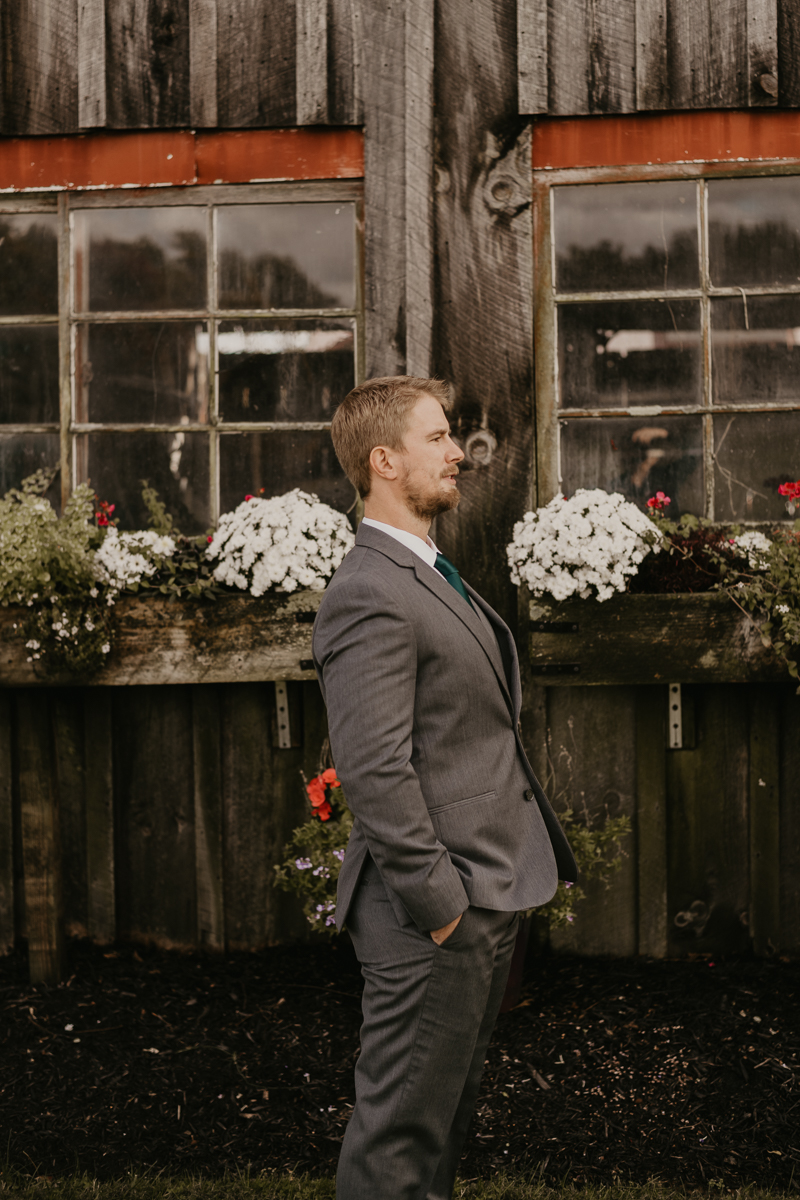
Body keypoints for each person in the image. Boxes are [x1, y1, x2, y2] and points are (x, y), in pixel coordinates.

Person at [312, 375, 577, 1200]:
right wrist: (444, 908)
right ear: (383, 460)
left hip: (478, 894)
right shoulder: (369, 590)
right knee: (398, 1142)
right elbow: (375, 770)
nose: (458, 451)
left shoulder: (423, 571)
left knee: (439, 1131)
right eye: (438, 437)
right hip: (428, 913)